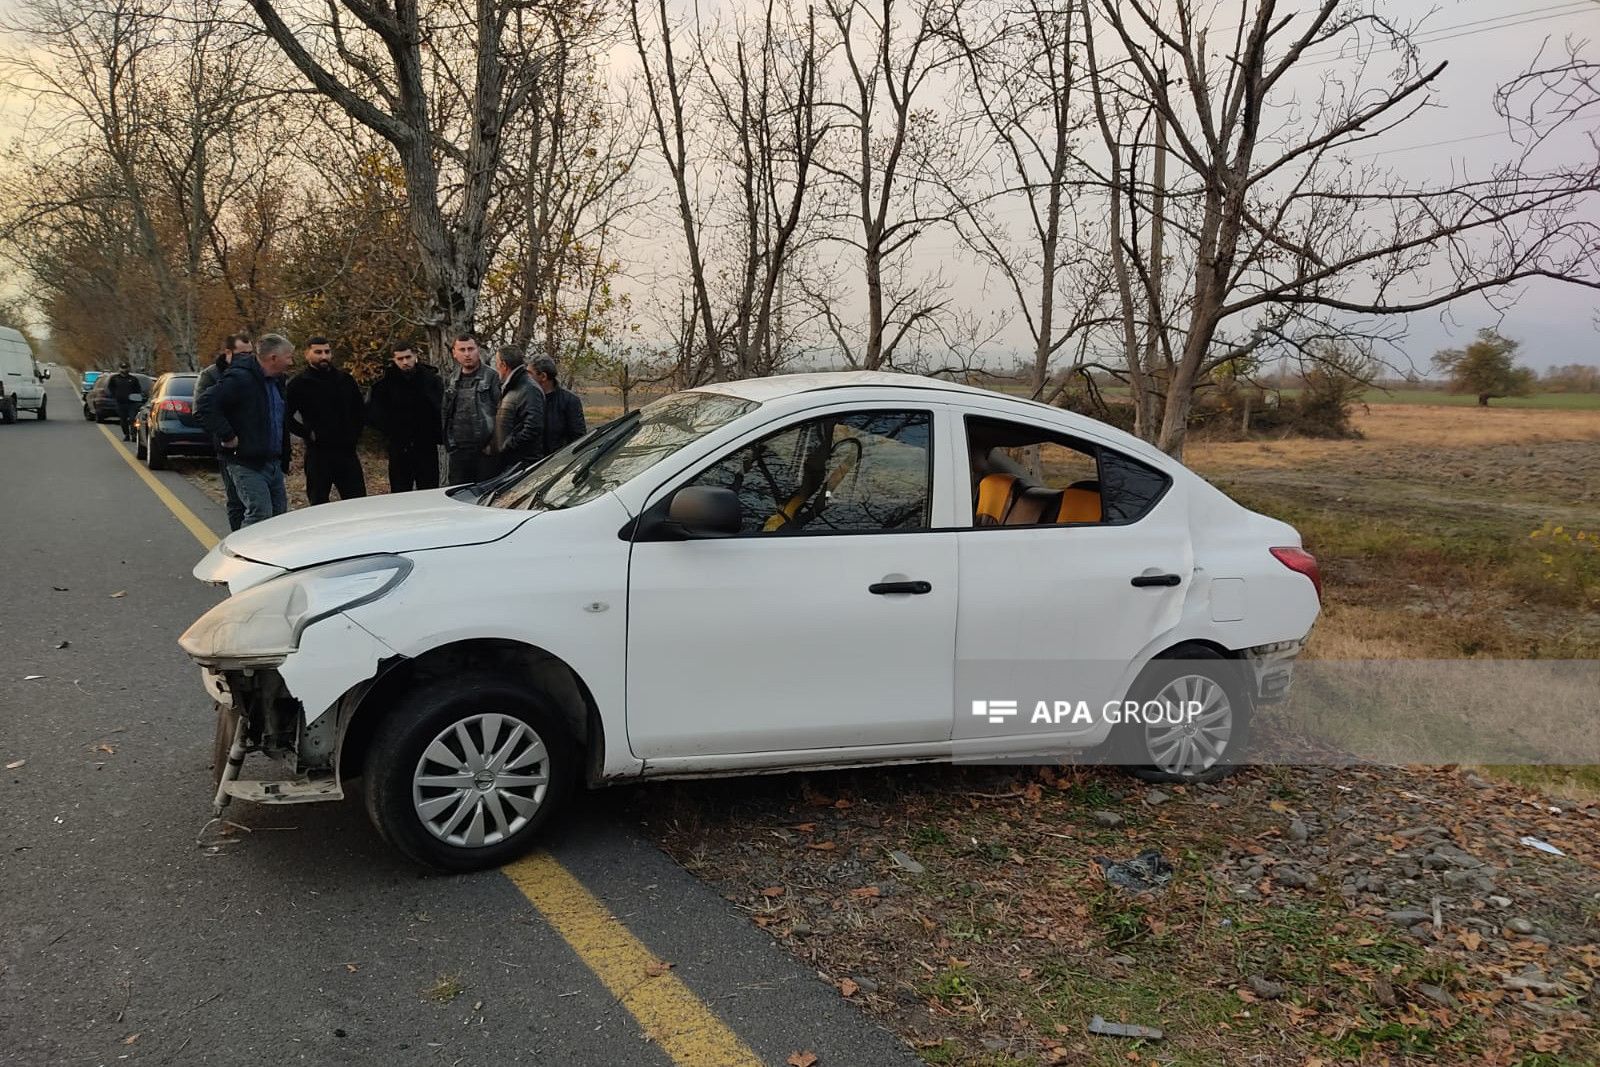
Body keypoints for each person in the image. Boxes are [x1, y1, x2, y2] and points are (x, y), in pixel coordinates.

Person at [195, 333, 294, 528]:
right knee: (260, 514)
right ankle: (242, 555)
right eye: (288, 357)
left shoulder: (277, 381)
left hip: (273, 460)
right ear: (273, 358)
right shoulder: (240, 378)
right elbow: (205, 405)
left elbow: (279, 419)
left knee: (278, 515)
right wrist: (227, 435)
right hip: (246, 461)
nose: (291, 362)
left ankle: (270, 555)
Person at [285, 336, 367, 505]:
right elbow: (284, 417)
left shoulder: (345, 380)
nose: (323, 356)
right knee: (319, 505)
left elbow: (359, 411)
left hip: (347, 453)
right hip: (318, 455)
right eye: (318, 352)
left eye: (327, 352)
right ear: (307, 354)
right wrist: (308, 433)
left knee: (357, 503)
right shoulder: (299, 384)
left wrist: (354, 434)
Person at [366, 341, 443, 492]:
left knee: (429, 491)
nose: (405, 362)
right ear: (394, 360)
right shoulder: (384, 385)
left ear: (415, 355)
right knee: (400, 492)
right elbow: (373, 414)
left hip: (426, 445)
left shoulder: (431, 380)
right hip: (399, 447)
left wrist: (435, 432)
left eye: (408, 357)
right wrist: (391, 432)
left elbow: (440, 408)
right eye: (400, 359)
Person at [197, 334, 253, 531]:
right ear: (228, 353)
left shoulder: (256, 373)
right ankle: (237, 537)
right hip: (229, 448)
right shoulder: (211, 375)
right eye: (242, 354)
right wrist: (225, 434)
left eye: (250, 353)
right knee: (236, 499)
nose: (247, 358)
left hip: (254, 445)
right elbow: (201, 410)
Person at [441, 332, 501, 484]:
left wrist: (493, 445)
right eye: (462, 350)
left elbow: (503, 414)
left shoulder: (492, 377)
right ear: (454, 353)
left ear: (477, 350)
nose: (467, 354)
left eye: (471, 349)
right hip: (459, 452)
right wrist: (450, 444)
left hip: (485, 453)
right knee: (457, 496)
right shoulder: (452, 379)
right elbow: (446, 414)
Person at [492, 345, 545, 473]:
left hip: (522, 465)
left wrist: (508, 444)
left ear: (503, 365)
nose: (496, 367)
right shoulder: (512, 386)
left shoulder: (529, 388)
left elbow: (533, 427)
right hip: (510, 462)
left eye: (497, 363)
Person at [531, 356, 587, 455]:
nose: (527, 379)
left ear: (543, 376)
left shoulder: (569, 401)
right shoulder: (527, 400)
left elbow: (578, 439)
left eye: (530, 374)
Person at [106, 363, 141, 441]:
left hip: (132, 403)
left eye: (126, 368)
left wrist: (137, 397)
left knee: (133, 419)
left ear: (129, 368)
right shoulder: (114, 378)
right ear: (119, 369)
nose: (124, 370)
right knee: (123, 420)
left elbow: (138, 390)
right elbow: (110, 388)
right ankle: (126, 434)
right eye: (122, 368)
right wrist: (114, 395)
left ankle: (134, 435)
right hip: (120, 403)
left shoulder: (133, 379)